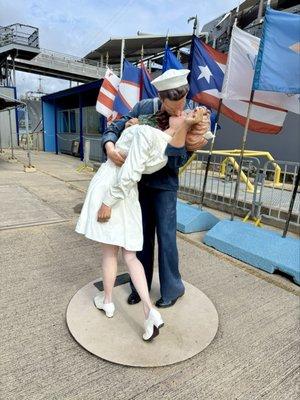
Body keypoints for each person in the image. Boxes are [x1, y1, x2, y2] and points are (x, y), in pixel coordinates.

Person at [76, 109, 204, 341]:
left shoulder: (148, 133)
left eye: (183, 114)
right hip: (129, 195)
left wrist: (107, 201)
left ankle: (107, 302)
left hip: (113, 187)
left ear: (180, 124)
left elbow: (129, 171)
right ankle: (148, 311)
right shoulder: (164, 151)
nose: (180, 111)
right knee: (131, 256)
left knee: (109, 253)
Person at [101, 69, 210, 308]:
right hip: (138, 184)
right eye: (173, 108)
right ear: (162, 99)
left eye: (182, 104)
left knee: (167, 238)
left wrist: (182, 128)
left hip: (166, 184)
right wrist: (109, 146)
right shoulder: (142, 108)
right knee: (140, 238)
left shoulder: (194, 115)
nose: (179, 111)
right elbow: (116, 126)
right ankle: (139, 287)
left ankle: (173, 287)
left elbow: (179, 159)